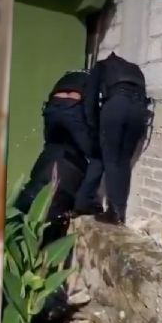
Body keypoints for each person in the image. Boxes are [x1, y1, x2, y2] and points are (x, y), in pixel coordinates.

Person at [15, 70, 95, 245]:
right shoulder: (91, 80)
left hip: (53, 113)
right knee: (94, 153)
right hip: (74, 112)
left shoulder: (65, 79)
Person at [75, 52, 150, 225]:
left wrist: (93, 127)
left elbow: (90, 99)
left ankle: (114, 213)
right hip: (140, 110)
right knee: (122, 162)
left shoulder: (101, 66)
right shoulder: (135, 68)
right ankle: (115, 211)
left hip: (116, 106)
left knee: (111, 161)